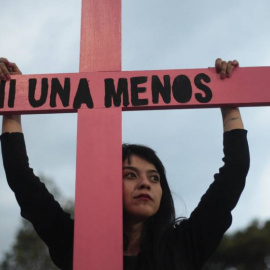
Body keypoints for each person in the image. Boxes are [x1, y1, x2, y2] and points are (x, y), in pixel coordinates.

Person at [0, 57, 250, 270]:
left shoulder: (185, 244)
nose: (145, 183)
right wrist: (13, 101)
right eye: (131, 175)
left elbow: (234, 171)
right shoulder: (75, 242)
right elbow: (21, 178)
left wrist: (229, 104)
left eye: (154, 178)